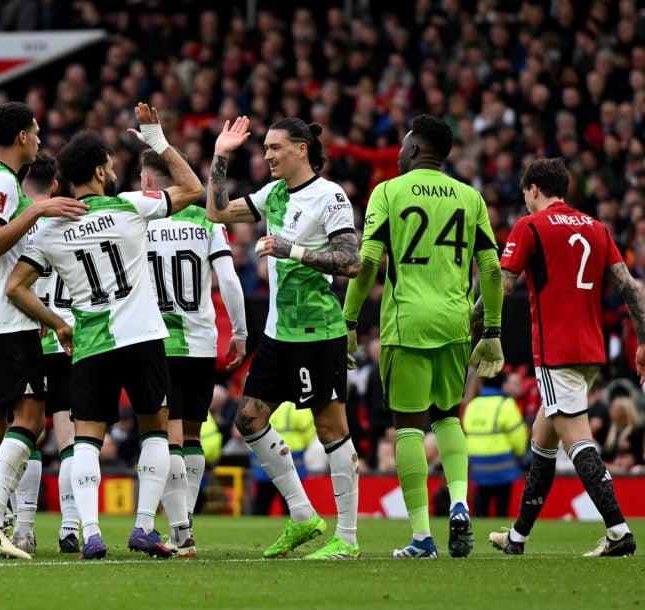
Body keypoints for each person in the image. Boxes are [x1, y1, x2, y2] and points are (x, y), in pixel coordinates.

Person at [5, 103, 203, 560]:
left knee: (87, 438)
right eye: (111, 164)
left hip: (90, 343)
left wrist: (58, 324)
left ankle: (91, 534)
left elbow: (17, 287)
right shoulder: (130, 207)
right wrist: (158, 142)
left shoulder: (53, 227)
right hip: (142, 336)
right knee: (155, 429)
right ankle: (141, 528)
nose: (115, 170)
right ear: (99, 170)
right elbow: (192, 188)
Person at [342, 113, 504, 559]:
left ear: (414, 149)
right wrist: (492, 328)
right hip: (454, 324)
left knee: (408, 428)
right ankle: (458, 501)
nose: (397, 152)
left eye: (402, 144)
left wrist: (349, 321)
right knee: (448, 417)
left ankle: (421, 538)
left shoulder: (387, 192)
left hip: (406, 323)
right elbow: (490, 269)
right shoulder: (470, 197)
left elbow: (368, 261)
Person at [205, 115, 362, 560]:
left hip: (318, 331)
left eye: (276, 147)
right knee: (248, 420)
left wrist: (291, 249)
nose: (267, 155)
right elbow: (216, 211)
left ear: (301, 150)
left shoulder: (329, 196)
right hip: (277, 333)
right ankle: (302, 517)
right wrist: (220, 154)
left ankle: (347, 540)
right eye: (266, 148)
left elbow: (351, 262)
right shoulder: (271, 195)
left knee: (331, 426)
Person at [483, 157, 643, 557]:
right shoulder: (595, 227)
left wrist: (471, 324)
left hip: (555, 351)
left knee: (578, 440)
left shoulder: (530, 226)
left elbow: (502, 286)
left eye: (524, 193)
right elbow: (630, 288)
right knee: (543, 440)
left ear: (534, 189)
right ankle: (517, 538)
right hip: (590, 351)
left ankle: (619, 531)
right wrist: (643, 341)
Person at [0, 101, 86, 560]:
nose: (38, 139)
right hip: (6, 321)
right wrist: (39, 210)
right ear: (20, 138)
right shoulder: (1, 182)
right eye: (35, 132)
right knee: (31, 419)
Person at [139, 147, 248, 557]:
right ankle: (184, 527)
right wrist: (239, 332)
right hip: (201, 343)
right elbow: (230, 280)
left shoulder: (141, 219)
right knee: (191, 436)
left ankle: (181, 530)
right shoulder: (206, 219)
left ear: (149, 181)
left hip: (156, 341)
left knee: (165, 435)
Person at [20, 150, 77, 554]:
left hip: (26, 338)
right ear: (55, 187)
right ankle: (71, 526)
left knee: (24, 434)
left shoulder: (14, 223)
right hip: (70, 339)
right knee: (70, 439)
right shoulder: (71, 220)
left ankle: (23, 527)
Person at [462, 373, 528, 517]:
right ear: (502, 384)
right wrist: (520, 454)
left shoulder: (472, 405)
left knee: (480, 507)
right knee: (501, 510)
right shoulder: (506, 404)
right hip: (503, 467)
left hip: (478, 466)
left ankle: (476, 534)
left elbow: (466, 432)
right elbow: (518, 437)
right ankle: (500, 536)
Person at [250, 402, 316, 517]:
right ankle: (293, 524)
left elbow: (249, 430)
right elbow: (309, 431)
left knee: (262, 500)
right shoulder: (296, 406)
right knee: (291, 500)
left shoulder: (259, 404)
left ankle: (256, 524)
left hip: (263, 456)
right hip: (292, 456)